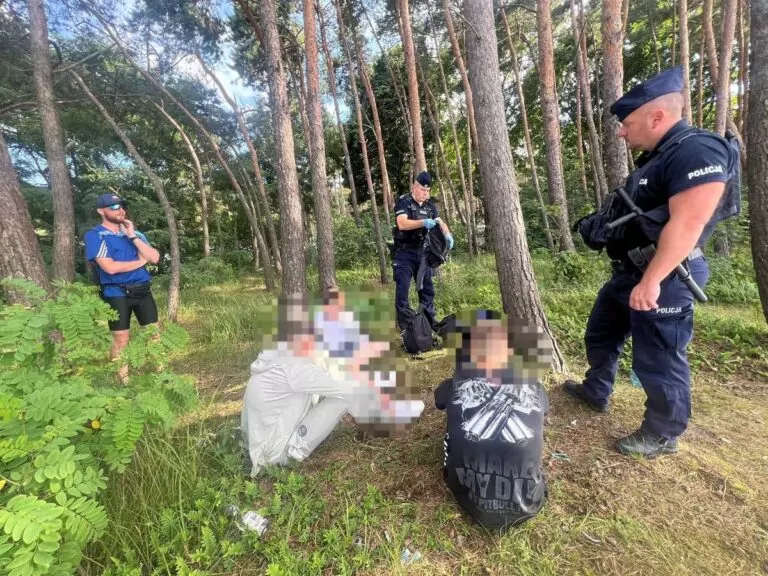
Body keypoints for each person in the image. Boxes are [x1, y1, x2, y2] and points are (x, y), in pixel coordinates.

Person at [564, 66, 735, 458]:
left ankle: (662, 433)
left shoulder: (698, 148)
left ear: (657, 116)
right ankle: (596, 389)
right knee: (601, 332)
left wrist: (653, 279)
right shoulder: (654, 160)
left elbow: (689, 220)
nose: (622, 132)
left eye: (627, 123)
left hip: (667, 274)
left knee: (658, 355)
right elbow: (638, 217)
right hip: (631, 271)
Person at [241, 295, 424, 476]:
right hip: (275, 453)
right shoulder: (293, 366)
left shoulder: (281, 355)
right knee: (347, 395)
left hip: (264, 441)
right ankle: (391, 419)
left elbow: (330, 369)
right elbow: (346, 386)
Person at [435, 311, 549, 530]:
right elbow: (544, 410)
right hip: (528, 501)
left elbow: (439, 401)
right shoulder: (534, 385)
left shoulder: (456, 383)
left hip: (468, 496)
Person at [84, 193, 160, 378]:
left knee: (154, 334)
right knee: (121, 339)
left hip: (142, 290)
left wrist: (132, 236)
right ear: (101, 211)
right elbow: (109, 268)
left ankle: (161, 373)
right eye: (114, 207)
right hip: (116, 293)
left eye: (122, 206)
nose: (121, 210)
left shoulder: (135, 234)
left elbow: (154, 258)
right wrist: (140, 263)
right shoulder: (95, 235)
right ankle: (122, 380)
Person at [392, 171, 453, 328]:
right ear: (415, 187)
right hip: (404, 253)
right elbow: (402, 224)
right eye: (422, 190)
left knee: (427, 289)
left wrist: (447, 234)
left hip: (423, 252)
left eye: (428, 191)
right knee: (403, 289)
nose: (425, 193)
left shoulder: (430, 206)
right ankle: (406, 327)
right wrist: (423, 222)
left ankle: (429, 323)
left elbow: (440, 222)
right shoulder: (404, 202)